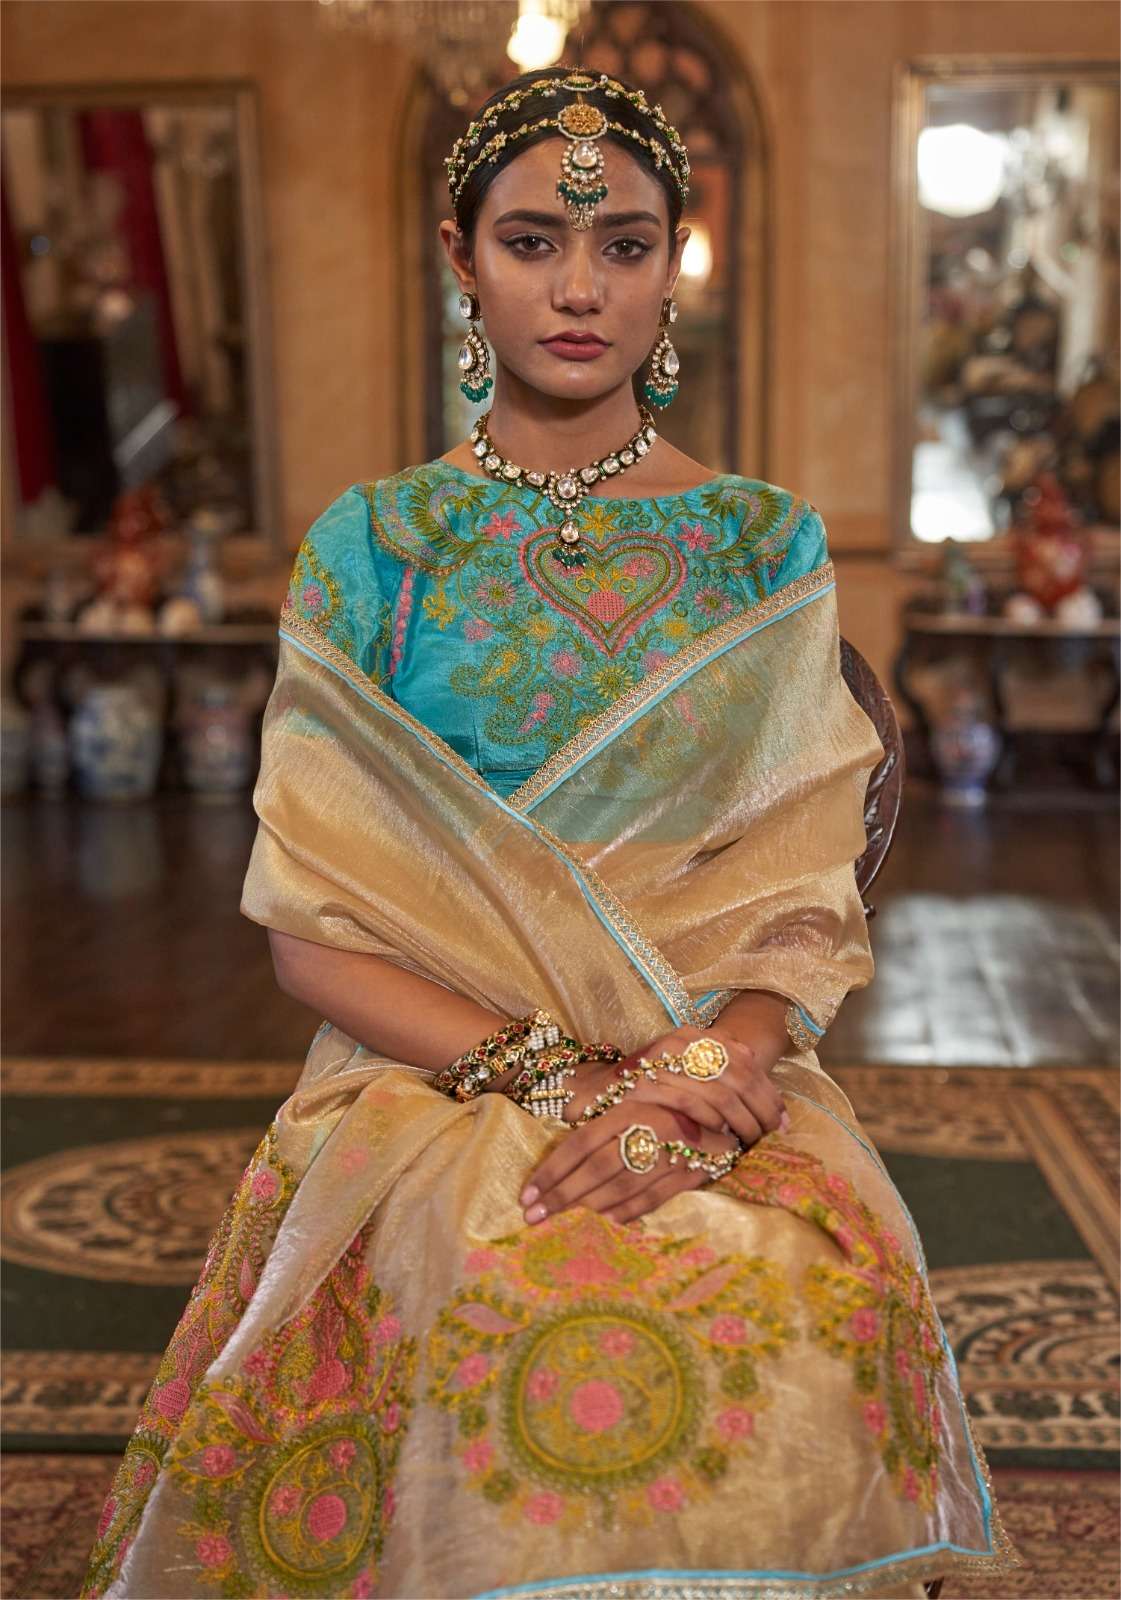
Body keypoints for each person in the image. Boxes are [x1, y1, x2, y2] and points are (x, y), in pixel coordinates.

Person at [82, 66, 1018, 1600]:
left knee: (799, 1274)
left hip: (709, 1059)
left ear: (671, 267)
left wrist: (703, 1074)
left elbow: (796, 889)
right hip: (428, 1066)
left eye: (624, 245)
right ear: (461, 258)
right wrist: (562, 1079)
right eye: (531, 242)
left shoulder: (760, 544)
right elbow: (312, 929)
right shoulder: (374, 549)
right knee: (489, 1275)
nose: (579, 288)